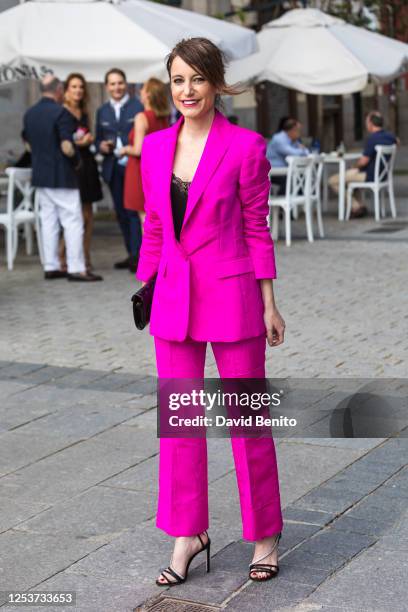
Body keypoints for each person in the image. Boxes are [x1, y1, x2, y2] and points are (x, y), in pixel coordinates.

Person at [136, 37, 285, 586]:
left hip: (234, 295)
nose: (187, 90)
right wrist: (145, 289)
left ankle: (265, 532)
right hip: (173, 300)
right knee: (179, 426)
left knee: (247, 419)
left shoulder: (246, 147)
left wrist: (270, 304)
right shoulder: (154, 148)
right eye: (177, 79)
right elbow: (155, 227)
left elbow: (255, 227)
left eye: (197, 78)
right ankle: (188, 534)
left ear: (216, 83)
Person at [22, 75, 102, 282]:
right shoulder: (61, 113)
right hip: (62, 176)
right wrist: (77, 161)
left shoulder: (29, 114)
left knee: (49, 222)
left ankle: (51, 266)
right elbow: (67, 146)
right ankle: (76, 268)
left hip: (41, 175)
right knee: (73, 221)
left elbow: (28, 145)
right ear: (58, 89)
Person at [119, 78, 170, 273]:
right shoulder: (163, 117)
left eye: (143, 90)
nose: (140, 92)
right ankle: (158, 260)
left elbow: (138, 149)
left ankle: (151, 265)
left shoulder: (142, 117)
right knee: (156, 218)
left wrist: (124, 149)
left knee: (145, 220)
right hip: (158, 171)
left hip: (139, 170)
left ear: (148, 94)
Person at [95, 68, 144, 271]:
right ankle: (130, 253)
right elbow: (98, 137)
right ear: (107, 87)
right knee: (121, 213)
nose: (117, 87)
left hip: (133, 166)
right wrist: (101, 146)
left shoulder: (137, 106)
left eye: (120, 83)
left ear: (126, 84)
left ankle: (138, 255)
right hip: (112, 167)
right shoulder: (102, 111)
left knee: (133, 211)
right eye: (113, 84)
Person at [61, 73, 103, 274]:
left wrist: (90, 139)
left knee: (88, 215)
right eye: (74, 87)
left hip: (87, 165)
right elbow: (60, 141)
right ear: (66, 89)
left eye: (81, 87)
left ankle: (85, 255)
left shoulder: (84, 111)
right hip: (72, 167)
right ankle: (64, 256)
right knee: (73, 215)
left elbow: (87, 136)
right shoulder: (62, 112)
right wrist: (80, 142)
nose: (78, 90)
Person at [328, 111, 398, 218]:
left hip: (369, 175)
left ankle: (356, 206)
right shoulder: (390, 136)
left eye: (366, 122)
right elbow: (397, 141)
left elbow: (363, 161)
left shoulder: (372, 139)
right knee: (349, 177)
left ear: (370, 124)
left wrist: (354, 167)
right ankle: (359, 205)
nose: (366, 125)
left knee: (333, 180)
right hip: (383, 175)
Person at [266, 118, 309, 194]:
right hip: (272, 171)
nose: (300, 134)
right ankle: (284, 203)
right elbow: (294, 153)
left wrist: (302, 150)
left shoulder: (292, 140)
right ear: (293, 130)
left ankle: (296, 203)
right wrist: (302, 150)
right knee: (293, 179)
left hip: (283, 171)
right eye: (299, 131)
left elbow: (306, 152)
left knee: (302, 178)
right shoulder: (279, 139)